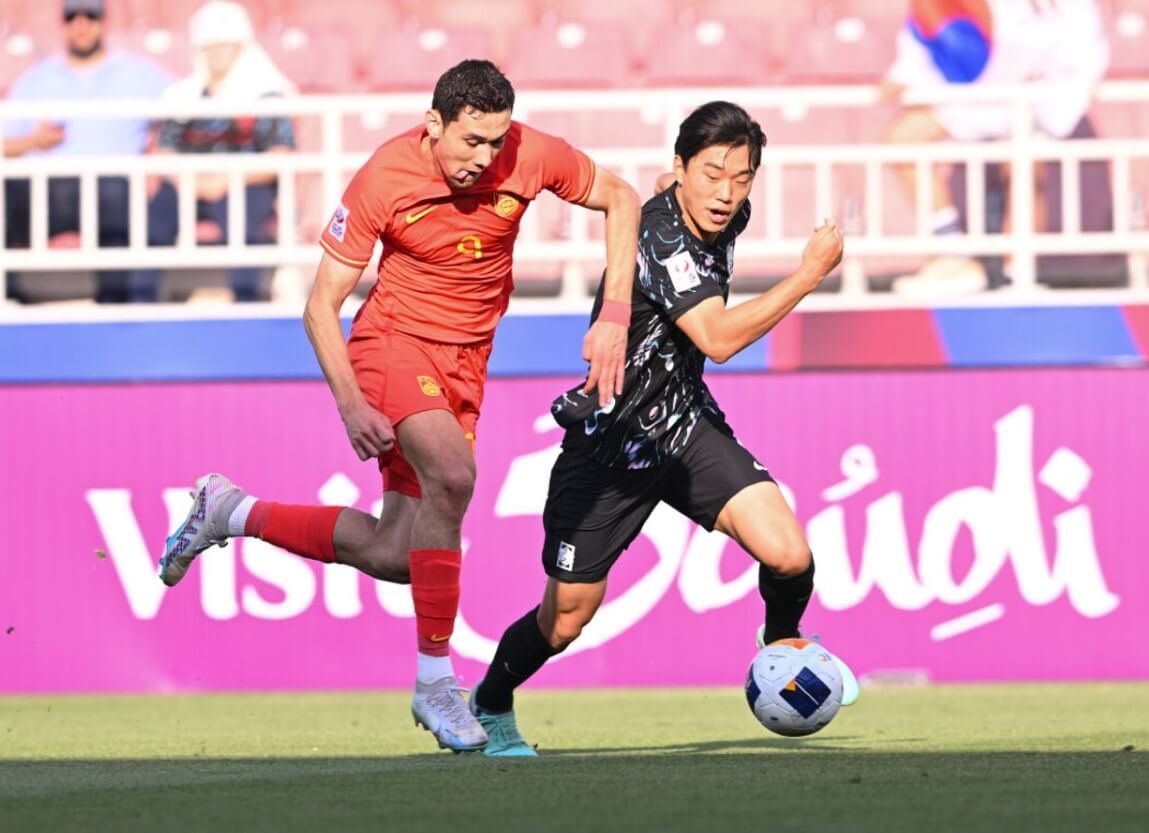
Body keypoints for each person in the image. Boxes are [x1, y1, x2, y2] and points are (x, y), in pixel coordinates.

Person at [158, 59, 639, 751]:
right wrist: (351, 405)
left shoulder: (527, 153)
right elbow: (320, 307)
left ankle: (230, 510)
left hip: (467, 365)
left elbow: (620, 197)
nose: (485, 158)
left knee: (396, 553)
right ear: (433, 123)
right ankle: (436, 683)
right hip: (393, 345)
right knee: (453, 475)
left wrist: (615, 315)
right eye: (471, 141)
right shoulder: (384, 177)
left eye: (495, 141)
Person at [462, 101, 856, 757]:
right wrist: (810, 273)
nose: (725, 194)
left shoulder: (720, 211)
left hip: (683, 429)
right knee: (564, 619)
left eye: (740, 178)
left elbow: (669, 193)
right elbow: (718, 339)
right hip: (610, 446)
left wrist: (677, 187)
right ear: (680, 167)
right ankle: (490, 700)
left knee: (789, 554)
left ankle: (781, 641)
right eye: (711, 175)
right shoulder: (661, 236)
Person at [881, 0, 1108, 295]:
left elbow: (1076, 50)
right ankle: (953, 255)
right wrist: (907, 76)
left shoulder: (1068, 9)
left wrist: (1058, 97)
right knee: (904, 139)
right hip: (977, 96)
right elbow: (935, 36)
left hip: (1035, 97)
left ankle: (1018, 274)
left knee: (1024, 165)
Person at [2, 0, 172, 303]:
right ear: (63, 24)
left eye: (90, 16)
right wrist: (33, 142)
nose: (81, 25)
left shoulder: (140, 74)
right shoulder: (37, 78)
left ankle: (115, 303)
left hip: (112, 188)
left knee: (117, 194)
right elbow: (5, 141)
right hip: (46, 190)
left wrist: (163, 150)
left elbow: (189, 108)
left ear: (103, 22)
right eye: (72, 17)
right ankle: (10, 297)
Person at [141, 0, 297, 302]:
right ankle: (140, 303)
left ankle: (247, 302)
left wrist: (225, 180)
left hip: (244, 183)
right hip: (189, 183)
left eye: (225, 47)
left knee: (244, 225)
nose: (217, 55)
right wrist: (191, 181)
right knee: (152, 221)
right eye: (210, 48)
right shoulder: (184, 95)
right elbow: (165, 150)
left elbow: (279, 154)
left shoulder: (266, 95)